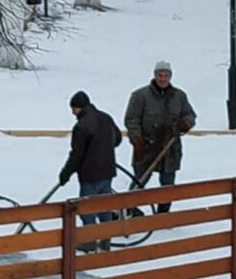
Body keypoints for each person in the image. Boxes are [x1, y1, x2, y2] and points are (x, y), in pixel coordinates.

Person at [124, 61, 196, 213]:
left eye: (166, 76)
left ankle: (163, 214)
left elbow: (190, 115)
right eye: (160, 75)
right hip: (146, 146)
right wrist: (136, 140)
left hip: (170, 147)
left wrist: (186, 123)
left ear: (170, 77)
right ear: (154, 76)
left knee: (167, 185)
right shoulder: (140, 96)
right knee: (140, 180)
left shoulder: (179, 96)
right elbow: (131, 119)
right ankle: (128, 210)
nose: (163, 79)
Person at [58, 90, 122, 253]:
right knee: (104, 205)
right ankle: (106, 238)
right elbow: (118, 139)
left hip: (89, 174)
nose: (73, 113)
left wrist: (65, 173)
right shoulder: (106, 118)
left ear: (78, 107)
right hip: (107, 171)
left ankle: (90, 240)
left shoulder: (81, 127)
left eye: (73, 109)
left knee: (86, 209)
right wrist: (104, 148)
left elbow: (76, 154)